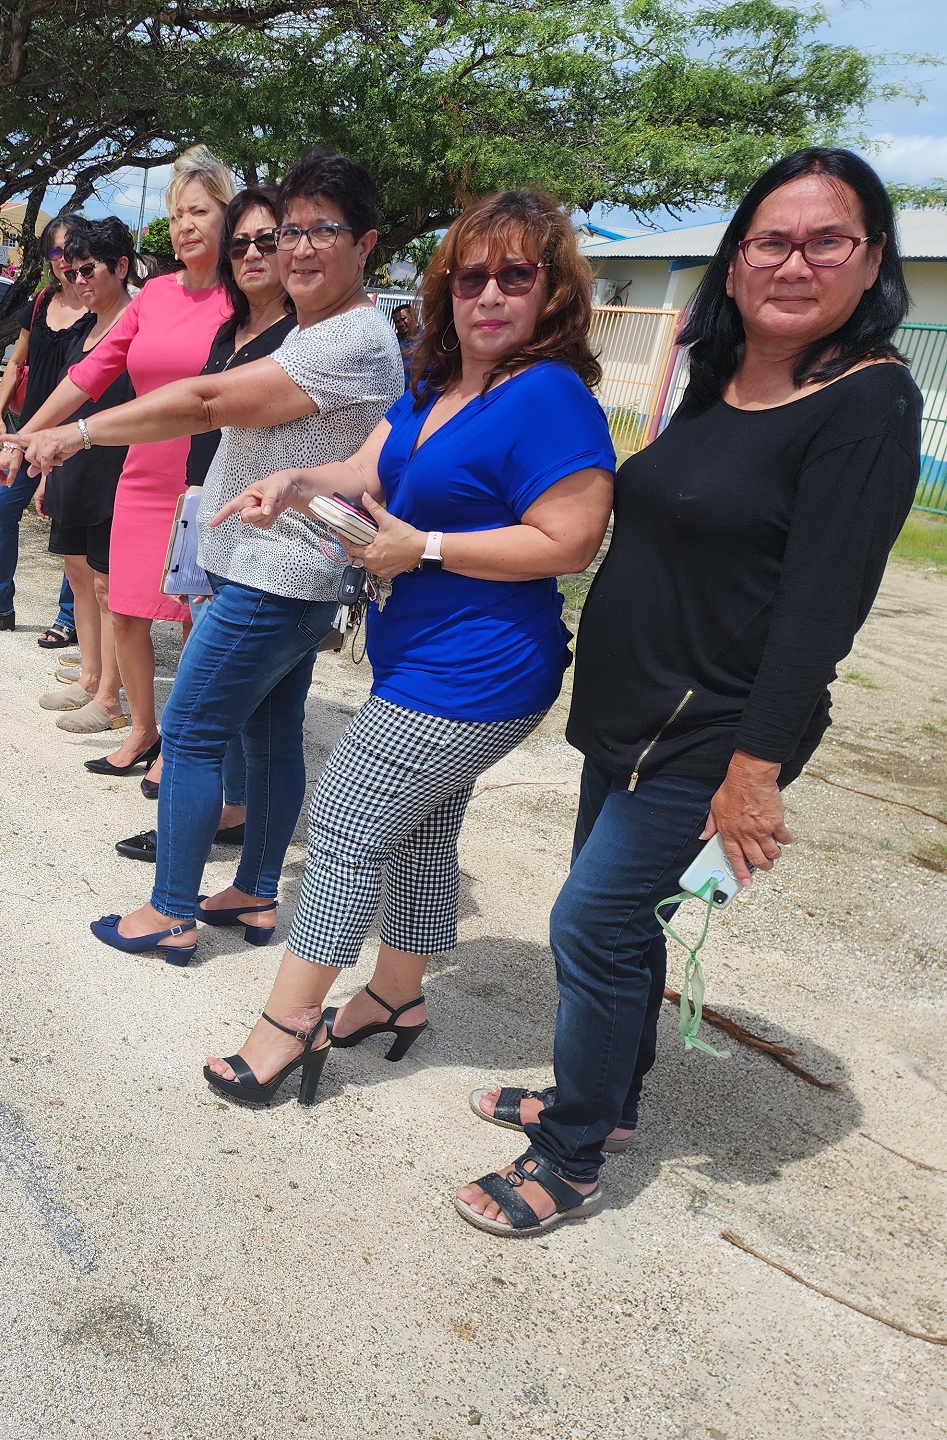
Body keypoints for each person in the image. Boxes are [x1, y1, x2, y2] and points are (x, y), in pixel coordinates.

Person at [454, 149, 922, 1236]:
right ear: (738, 255)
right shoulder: (717, 376)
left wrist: (755, 772)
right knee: (622, 929)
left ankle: (568, 1158)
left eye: (825, 240)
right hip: (630, 712)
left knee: (590, 924)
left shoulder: (869, 404)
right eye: (770, 239)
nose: (792, 262)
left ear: (872, 259)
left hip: (713, 733)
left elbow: (819, 613)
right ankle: (603, 1101)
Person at [202, 189, 616, 1105]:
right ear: (446, 287)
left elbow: (570, 541)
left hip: (482, 666)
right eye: (472, 276)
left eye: (517, 275)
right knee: (423, 833)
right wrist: (295, 478)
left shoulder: (548, 396)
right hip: (418, 654)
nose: (491, 295)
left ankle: (284, 1027)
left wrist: (421, 548)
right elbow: (365, 469)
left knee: (347, 823)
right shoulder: (437, 380)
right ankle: (396, 998)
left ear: (554, 291)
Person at [14, 156, 404, 963]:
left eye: (320, 230)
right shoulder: (321, 325)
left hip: (273, 577)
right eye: (287, 230)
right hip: (275, 572)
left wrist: (76, 432)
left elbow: (205, 402)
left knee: (188, 733)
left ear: (365, 243)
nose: (297, 248)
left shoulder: (351, 339)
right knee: (269, 737)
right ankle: (258, 892)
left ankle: (170, 913)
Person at [0, 146, 237, 779]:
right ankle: (143, 730)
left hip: (206, 480)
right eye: (177, 212)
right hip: (141, 472)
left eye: (200, 211)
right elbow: (90, 373)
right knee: (123, 605)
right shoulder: (152, 295)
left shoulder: (243, 301)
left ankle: (181, 746)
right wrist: (22, 441)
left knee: (193, 621)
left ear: (227, 217)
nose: (186, 225)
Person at [26, 218, 137, 734]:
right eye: (72, 269)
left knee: (109, 585)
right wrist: (46, 472)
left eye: (89, 269)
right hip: (72, 465)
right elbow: (68, 405)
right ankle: (90, 675)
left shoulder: (134, 324)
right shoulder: (86, 327)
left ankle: (112, 695)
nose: (78, 279)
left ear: (120, 266)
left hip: (116, 468)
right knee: (78, 575)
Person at [0, 216, 82, 644]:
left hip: (73, 439)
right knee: (2, 509)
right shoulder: (40, 302)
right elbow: (16, 361)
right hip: (27, 434)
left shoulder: (99, 309)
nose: (66, 261)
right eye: (56, 252)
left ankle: (70, 616)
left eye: (73, 251)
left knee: (67, 524)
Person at [391, 303, 418, 386]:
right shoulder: (393, 341)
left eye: (403, 319)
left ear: (413, 317)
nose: (401, 324)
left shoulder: (425, 339)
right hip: (399, 389)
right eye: (397, 322)